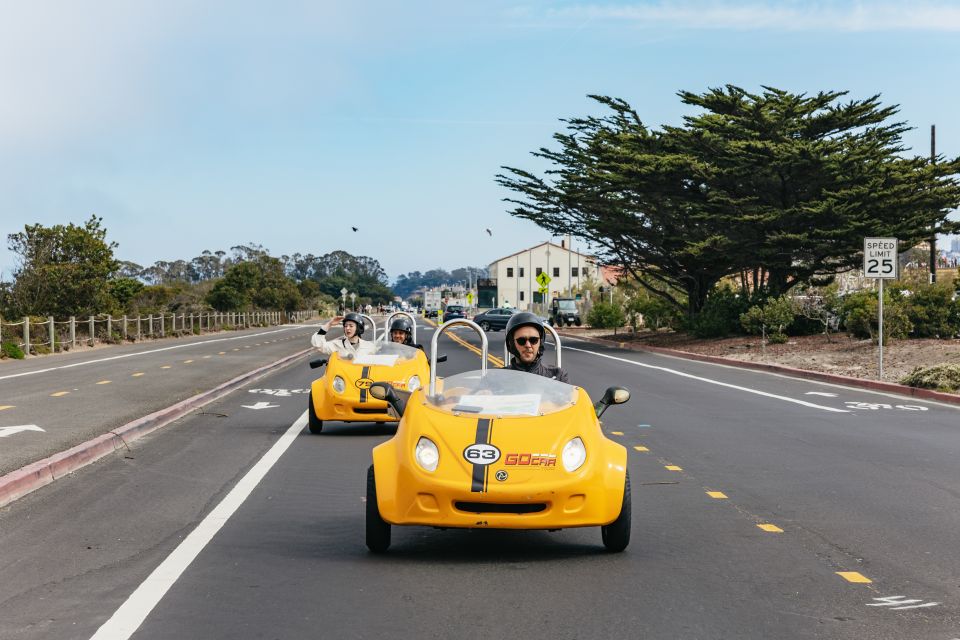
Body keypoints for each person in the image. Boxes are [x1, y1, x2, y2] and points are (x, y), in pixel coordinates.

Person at [502, 312, 569, 382]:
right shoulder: (499, 378)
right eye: (521, 341)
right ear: (511, 343)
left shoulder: (558, 377)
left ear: (540, 342)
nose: (528, 345)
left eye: (533, 340)